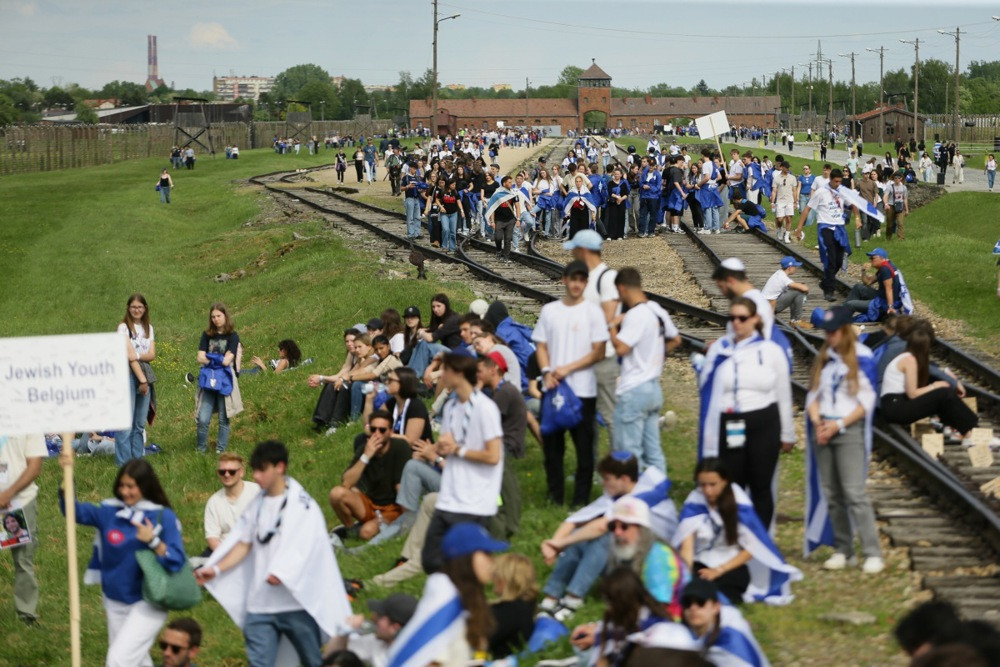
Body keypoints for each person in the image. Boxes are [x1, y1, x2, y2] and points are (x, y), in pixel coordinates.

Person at [197, 440, 351, 667]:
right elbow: (243, 543)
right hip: (259, 605)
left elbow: (308, 547)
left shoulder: (302, 504)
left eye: (262, 470)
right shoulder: (257, 504)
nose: (256, 476)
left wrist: (282, 572)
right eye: (255, 469)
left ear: (279, 467)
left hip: (295, 603)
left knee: (311, 661)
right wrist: (216, 568)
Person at [59, 458, 189, 666]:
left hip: (148, 601)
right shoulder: (109, 511)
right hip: (114, 599)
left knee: (118, 660)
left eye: (131, 486)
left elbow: (177, 561)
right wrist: (68, 475)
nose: (125, 491)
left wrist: (154, 541)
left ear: (145, 486)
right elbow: (73, 511)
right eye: (122, 485)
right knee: (136, 660)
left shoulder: (162, 516)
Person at [539, 453, 678, 622]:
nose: (603, 483)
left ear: (624, 479)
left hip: (649, 563)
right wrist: (555, 545)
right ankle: (552, 596)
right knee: (580, 536)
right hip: (629, 553)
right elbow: (575, 520)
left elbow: (602, 526)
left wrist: (559, 544)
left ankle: (573, 599)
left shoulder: (641, 498)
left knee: (605, 538)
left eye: (606, 479)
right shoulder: (625, 489)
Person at [697, 297, 794, 529]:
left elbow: (783, 392)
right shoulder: (720, 349)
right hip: (730, 422)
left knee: (761, 484)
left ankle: (760, 539)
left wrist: (787, 433)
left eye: (743, 318)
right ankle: (733, 536)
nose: (737, 323)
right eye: (733, 318)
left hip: (763, 421)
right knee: (732, 482)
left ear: (755, 320)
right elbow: (707, 386)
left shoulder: (770, 351)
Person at [804, 306, 884, 574]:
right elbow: (813, 394)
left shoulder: (861, 357)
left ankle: (872, 552)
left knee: (854, 492)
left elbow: (867, 400)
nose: (829, 336)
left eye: (834, 331)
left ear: (845, 331)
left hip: (848, 428)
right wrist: (819, 423)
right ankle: (843, 549)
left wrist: (838, 424)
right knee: (833, 493)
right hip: (824, 427)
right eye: (826, 332)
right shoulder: (826, 357)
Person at [532, 260, 609, 506]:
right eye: (572, 279)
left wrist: (568, 368)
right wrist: (546, 371)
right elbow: (541, 345)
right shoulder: (550, 311)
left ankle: (580, 501)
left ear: (586, 283)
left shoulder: (593, 312)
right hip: (552, 389)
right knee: (552, 450)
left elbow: (599, 350)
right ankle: (555, 497)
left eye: (581, 280)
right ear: (564, 280)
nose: (576, 284)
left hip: (583, 391)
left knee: (584, 452)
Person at [674, 458, 802, 604]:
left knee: (722, 592)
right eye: (703, 485)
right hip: (700, 562)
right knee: (690, 590)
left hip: (729, 566)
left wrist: (719, 570)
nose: (707, 491)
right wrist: (687, 577)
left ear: (725, 481)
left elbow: (751, 548)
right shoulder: (694, 503)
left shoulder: (739, 504)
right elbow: (687, 547)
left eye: (713, 485)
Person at [421, 354, 504, 574]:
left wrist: (457, 449)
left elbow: (493, 456)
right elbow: (448, 444)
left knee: (464, 565)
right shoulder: (451, 407)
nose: (441, 376)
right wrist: (436, 449)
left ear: (458, 374)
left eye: (445, 371)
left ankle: (470, 602)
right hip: (450, 496)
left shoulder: (485, 408)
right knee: (431, 560)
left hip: (475, 499)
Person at [389, 523, 508, 666]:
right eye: (486, 553)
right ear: (466, 557)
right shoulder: (447, 600)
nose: (492, 561)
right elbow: (430, 660)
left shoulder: (458, 595)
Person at [608, 267, 680, 471]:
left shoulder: (635, 315)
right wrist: (655, 355)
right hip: (653, 389)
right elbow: (675, 339)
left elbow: (621, 348)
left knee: (629, 453)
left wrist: (612, 326)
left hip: (633, 389)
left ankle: (633, 499)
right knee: (654, 452)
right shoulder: (656, 309)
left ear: (622, 289)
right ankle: (658, 495)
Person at [880, 327, 986, 446]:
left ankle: (965, 431)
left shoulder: (907, 357)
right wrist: (935, 386)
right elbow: (913, 393)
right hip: (896, 407)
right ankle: (972, 434)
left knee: (942, 395)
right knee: (943, 393)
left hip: (895, 405)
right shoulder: (909, 360)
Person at [565, 229, 620, 458]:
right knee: (585, 416)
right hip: (582, 358)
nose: (572, 255)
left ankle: (619, 463)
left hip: (602, 357)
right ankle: (590, 465)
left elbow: (608, 317)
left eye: (575, 250)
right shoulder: (583, 276)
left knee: (610, 414)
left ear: (584, 251)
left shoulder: (607, 278)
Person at [329, 410, 411, 541]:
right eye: (373, 429)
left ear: (390, 432)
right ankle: (351, 530)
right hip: (370, 504)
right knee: (336, 493)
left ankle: (366, 529)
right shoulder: (365, 448)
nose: (377, 434)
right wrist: (366, 457)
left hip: (393, 509)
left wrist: (408, 521)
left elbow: (401, 487)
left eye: (382, 430)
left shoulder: (400, 448)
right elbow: (347, 482)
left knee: (366, 533)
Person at [477, 352, 526, 538]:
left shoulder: (504, 392)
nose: (478, 375)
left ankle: (502, 517)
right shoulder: (502, 390)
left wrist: (477, 389)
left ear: (493, 370)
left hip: (508, 445)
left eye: (480, 371)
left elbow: (482, 421)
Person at [794, 168, 861, 302]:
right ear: (831, 180)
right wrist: (799, 227)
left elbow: (853, 204)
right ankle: (829, 290)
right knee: (830, 259)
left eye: (840, 182)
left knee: (839, 260)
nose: (838, 184)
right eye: (836, 181)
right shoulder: (821, 192)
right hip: (825, 227)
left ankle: (825, 281)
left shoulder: (842, 191)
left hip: (839, 227)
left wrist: (857, 218)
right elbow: (807, 209)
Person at [0, 433, 45, 624]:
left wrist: (8, 494)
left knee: (23, 560)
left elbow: (34, 466)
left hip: (18, 502)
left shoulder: (29, 421)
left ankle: (26, 614)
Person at [680, 579, 770, 667]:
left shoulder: (729, 642)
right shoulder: (686, 636)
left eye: (701, 602)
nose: (693, 608)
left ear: (716, 607)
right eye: (687, 603)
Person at [196, 302, 242, 454]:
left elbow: (228, 360)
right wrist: (218, 359)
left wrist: (210, 358)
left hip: (225, 380)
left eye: (219, 316)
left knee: (224, 417)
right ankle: (200, 450)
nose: (216, 319)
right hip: (208, 380)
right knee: (202, 418)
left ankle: (220, 451)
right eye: (213, 317)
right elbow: (199, 357)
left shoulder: (233, 336)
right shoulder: (206, 335)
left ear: (225, 316)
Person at [323, 593, 418, 666]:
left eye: (380, 616)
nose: (373, 617)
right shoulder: (378, 641)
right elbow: (331, 659)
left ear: (394, 627)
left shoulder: (417, 657)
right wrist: (344, 632)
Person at [118, 293, 156, 466]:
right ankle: (123, 462)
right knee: (126, 421)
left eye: (140, 307)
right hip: (128, 375)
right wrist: (142, 380)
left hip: (145, 374)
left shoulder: (149, 328)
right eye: (133, 307)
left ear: (145, 308)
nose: (137, 310)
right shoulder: (123, 328)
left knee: (139, 423)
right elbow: (128, 356)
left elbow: (152, 355)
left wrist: (138, 355)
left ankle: (137, 460)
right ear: (128, 308)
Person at [204, 452, 261, 553]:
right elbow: (212, 539)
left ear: (242, 472)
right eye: (222, 472)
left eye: (232, 472)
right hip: (224, 552)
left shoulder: (258, 493)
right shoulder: (213, 502)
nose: (226, 475)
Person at [489, 553, 537, 658]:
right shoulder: (528, 606)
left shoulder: (507, 611)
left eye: (495, 574)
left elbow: (478, 639)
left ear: (504, 578)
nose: (493, 578)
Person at [844, 247, 912, 321]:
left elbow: (889, 289)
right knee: (858, 287)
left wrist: (890, 307)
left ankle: (840, 321)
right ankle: (842, 314)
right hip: (881, 297)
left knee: (850, 305)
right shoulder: (884, 266)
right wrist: (863, 271)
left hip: (884, 303)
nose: (870, 260)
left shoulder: (885, 269)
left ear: (881, 258)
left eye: (872, 258)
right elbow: (868, 282)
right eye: (870, 258)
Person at [761, 256, 811, 327]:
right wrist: (805, 289)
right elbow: (804, 288)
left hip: (765, 304)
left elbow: (794, 285)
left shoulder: (779, 273)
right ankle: (796, 320)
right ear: (789, 267)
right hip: (769, 306)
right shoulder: (783, 278)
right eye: (795, 266)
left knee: (794, 290)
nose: (796, 268)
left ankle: (793, 321)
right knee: (798, 292)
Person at [770, 161, 796, 242]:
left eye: (788, 167)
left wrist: (795, 201)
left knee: (788, 218)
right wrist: (772, 202)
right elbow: (774, 190)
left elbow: (794, 190)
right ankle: (780, 229)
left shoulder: (792, 178)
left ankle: (787, 235)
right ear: (782, 167)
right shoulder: (777, 178)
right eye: (786, 167)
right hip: (780, 200)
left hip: (789, 200)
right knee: (780, 219)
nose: (788, 169)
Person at [883, 172, 909, 241]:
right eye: (895, 178)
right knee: (890, 224)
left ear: (901, 179)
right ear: (893, 179)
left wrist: (906, 210)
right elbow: (885, 196)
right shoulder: (890, 187)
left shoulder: (904, 188)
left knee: (900, 223)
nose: (897, 179)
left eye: (898, 178)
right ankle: (888, 237)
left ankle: (901, 238)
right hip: (891, 206)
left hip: (900, 206)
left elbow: (905, 199)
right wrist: (886, 204)